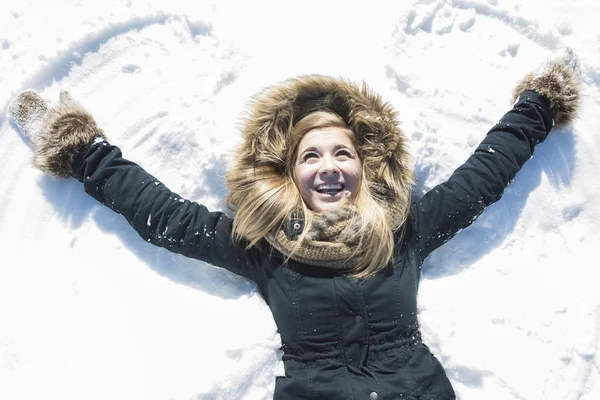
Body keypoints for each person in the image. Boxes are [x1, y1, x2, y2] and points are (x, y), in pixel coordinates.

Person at [8, 49, 581, 400]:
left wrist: (539, 103)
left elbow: (483, 176)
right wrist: (81, 151)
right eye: (311, 156)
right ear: (290, 175)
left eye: (342, 153)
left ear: (364, 165)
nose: (328, 167)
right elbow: (165, 216)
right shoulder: (263, 247)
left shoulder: (402, 231)